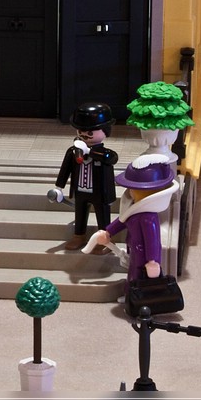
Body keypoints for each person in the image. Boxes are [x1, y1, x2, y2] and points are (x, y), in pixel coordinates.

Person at [83, 153, 179, 282]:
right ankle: (130, 291)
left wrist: (153, 261)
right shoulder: (134, 209)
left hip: (143, 257)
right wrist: (108, 232)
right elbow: (123, 220)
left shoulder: (148, 218)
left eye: (134, 189)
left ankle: (136, 293)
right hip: (134, 250)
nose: (130, 191)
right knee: (132, 275)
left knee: (140, 278)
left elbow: (153, 241)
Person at [55, 102, 119, 252]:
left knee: (102, 216)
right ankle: (79, 235)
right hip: (80, 190)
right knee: (80, 214)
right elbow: (65, 170)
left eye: (90, 133)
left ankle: (105, 239)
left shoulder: (103, 153)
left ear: (105, 131)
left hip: (100, 191)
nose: (84, 135)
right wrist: (59, 187)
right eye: (81, 131)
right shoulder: (73, 151)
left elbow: (111, 158)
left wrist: (89, 152)